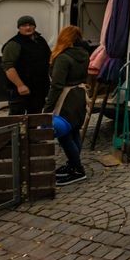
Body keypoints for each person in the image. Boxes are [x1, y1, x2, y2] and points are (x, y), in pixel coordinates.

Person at [44, 26, 90, 186]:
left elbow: (56, 85)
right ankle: (73, 165)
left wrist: (47, 108)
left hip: (66, 97)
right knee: (74, 129)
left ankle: (77, 169)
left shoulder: (63, 58)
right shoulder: (84, 54)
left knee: (64, 134)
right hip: (79, 95)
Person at [1, 15, 51, 115]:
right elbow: (8, 67)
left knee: (35, 117)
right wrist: (20, 85)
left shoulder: (41, 40)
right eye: (24, 25)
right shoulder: (14, 44)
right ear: (19, 28)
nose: (27, 28)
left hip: (38, 89)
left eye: (30, 25)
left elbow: (49, 59)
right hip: (20, 90)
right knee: (17, 119)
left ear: (34, 26)